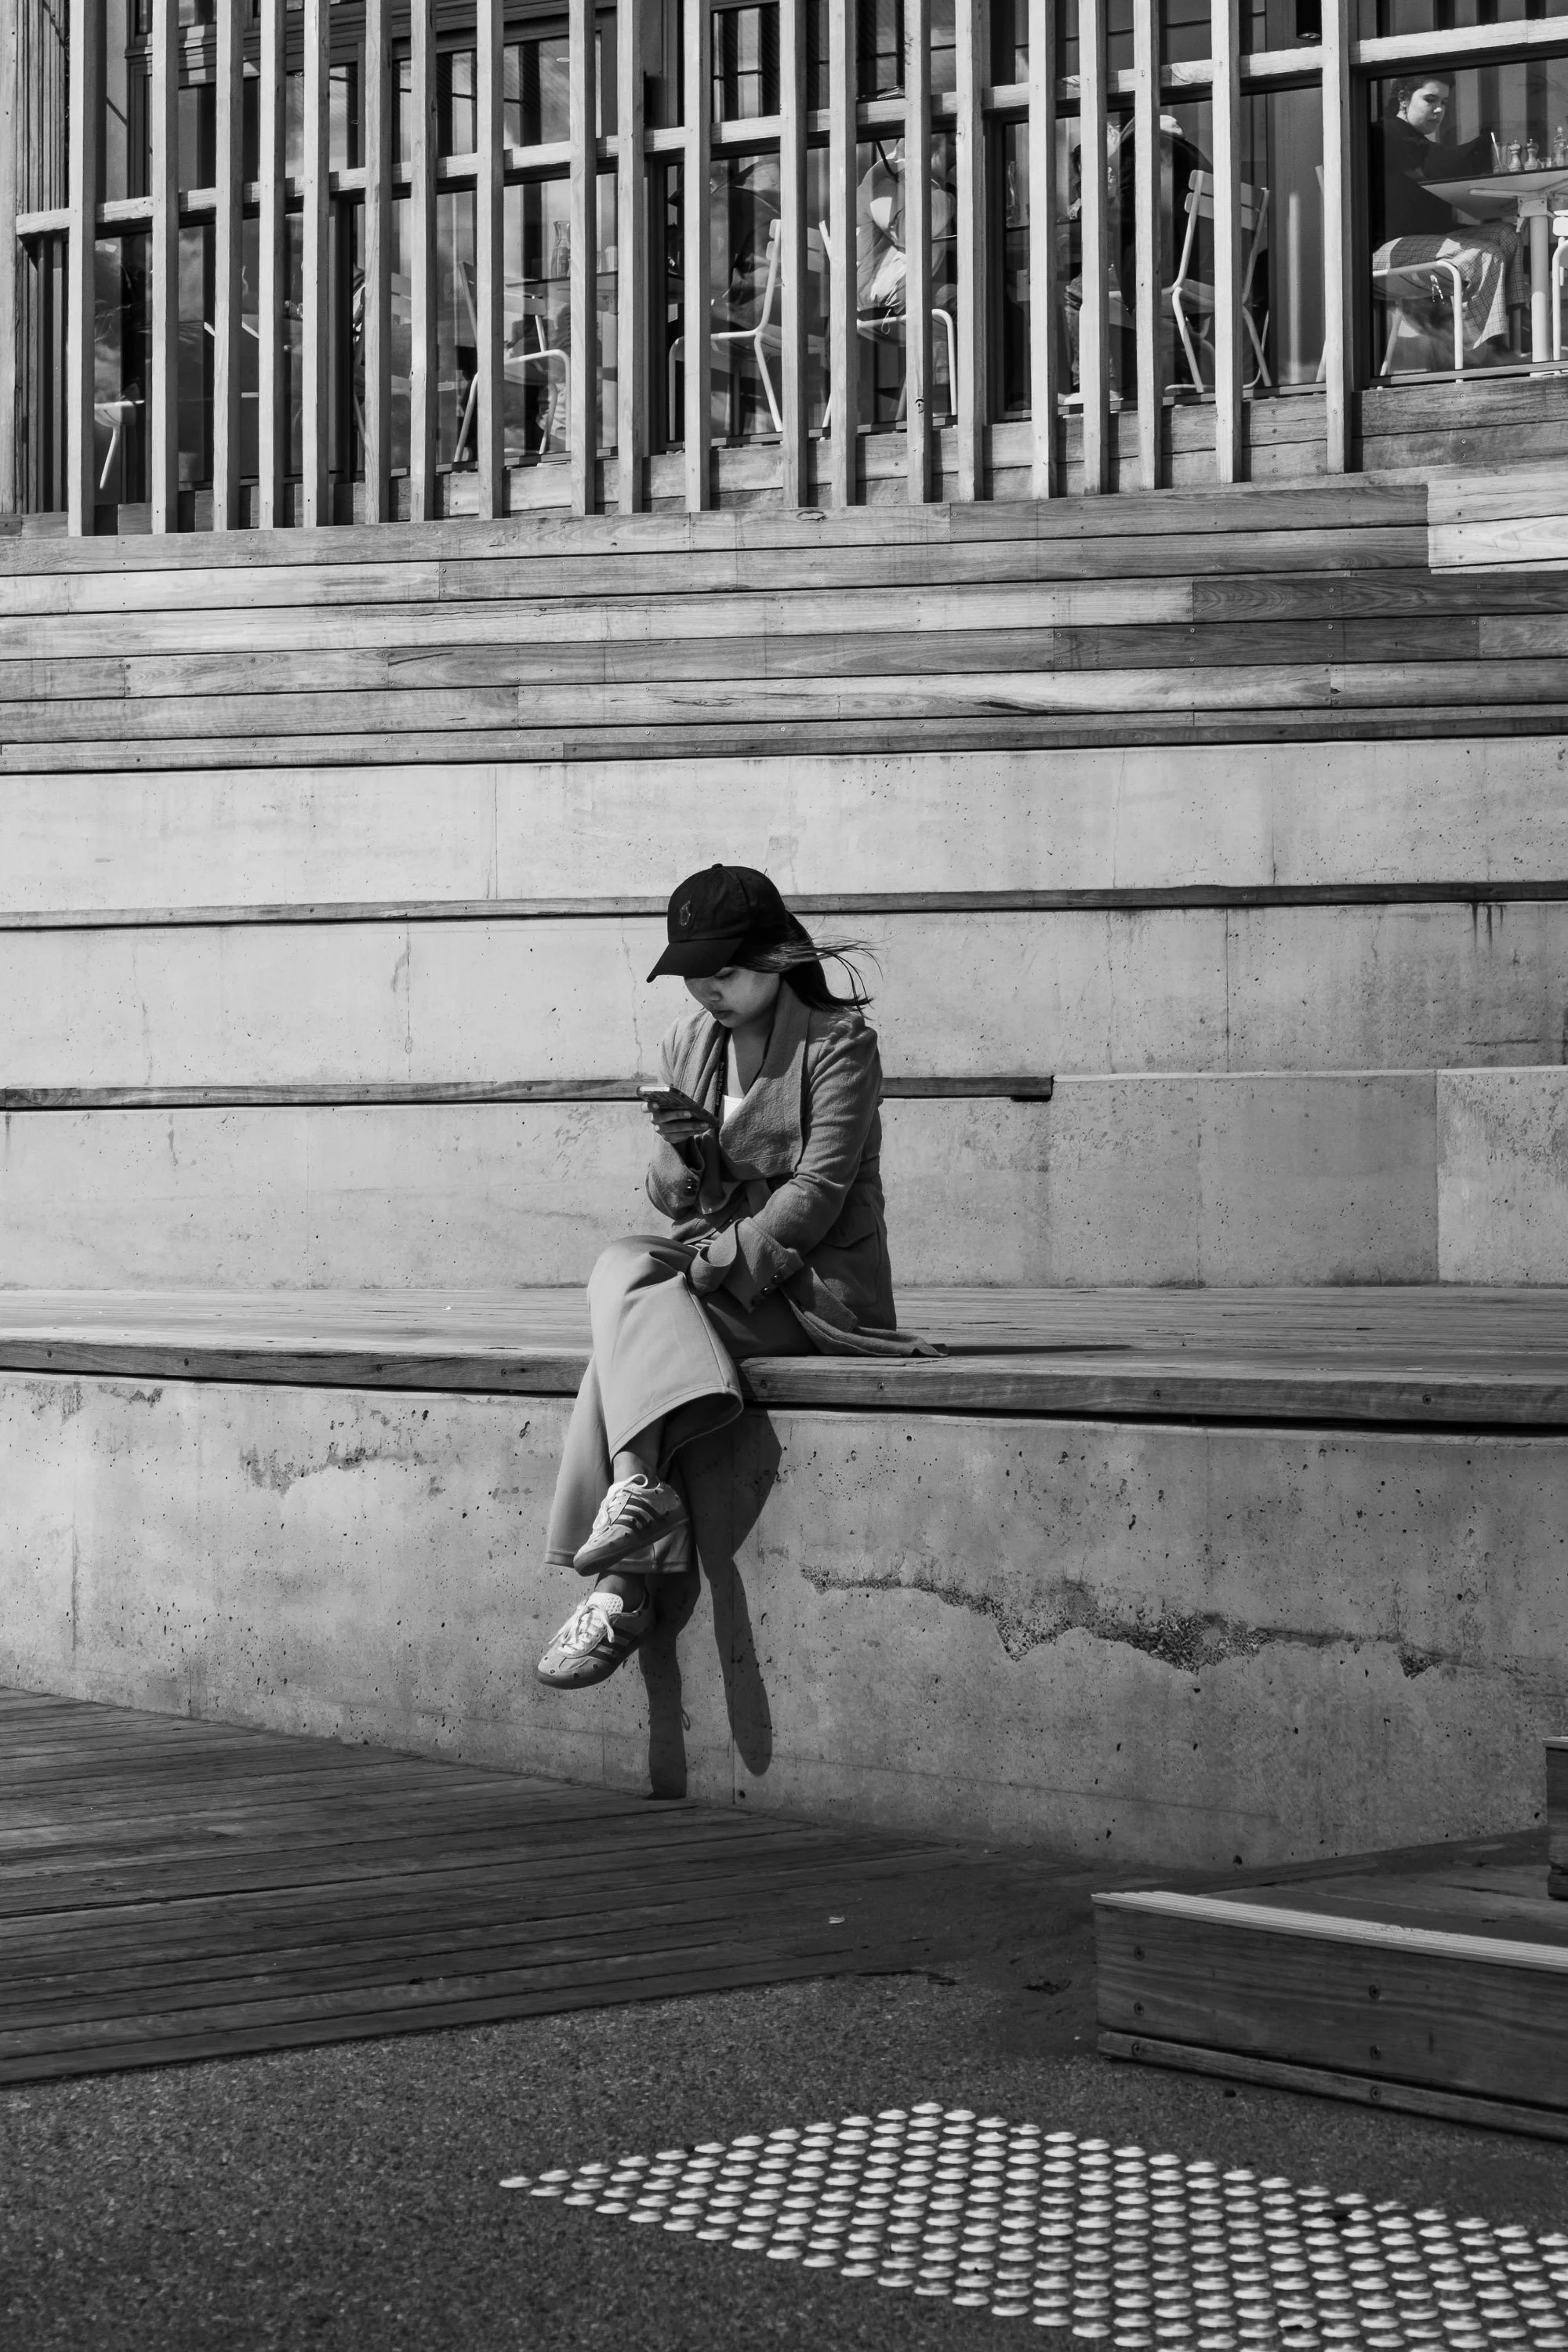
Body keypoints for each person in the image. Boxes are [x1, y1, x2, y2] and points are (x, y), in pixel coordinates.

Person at [535, 865, 936, 1692]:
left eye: (725, 972)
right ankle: (638, 1495)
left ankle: (621, 1583)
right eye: (694, 974)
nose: (708, 990)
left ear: (778, 956)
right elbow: (670, 1196)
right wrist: (679, 1157)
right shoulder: (691, 1043)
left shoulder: (837, 1043)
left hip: (812, 1288)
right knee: (621, 1262)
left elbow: (820, 1193)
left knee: (620, 1353)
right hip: (712, 1264)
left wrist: (719, 1262)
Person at [1369, 75, 1523, 365]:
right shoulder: (1382, 135)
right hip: (1385, 252)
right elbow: (1437, 161)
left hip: (1426, 241)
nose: (1439, 110)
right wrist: (1485, 147)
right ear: (1403, 98)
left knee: (1505, 235)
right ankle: (1478, 353)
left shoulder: (1415, 144)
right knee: (1484, 254)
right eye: (1430, 100)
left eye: (1444, 103)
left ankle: (1509, 333)